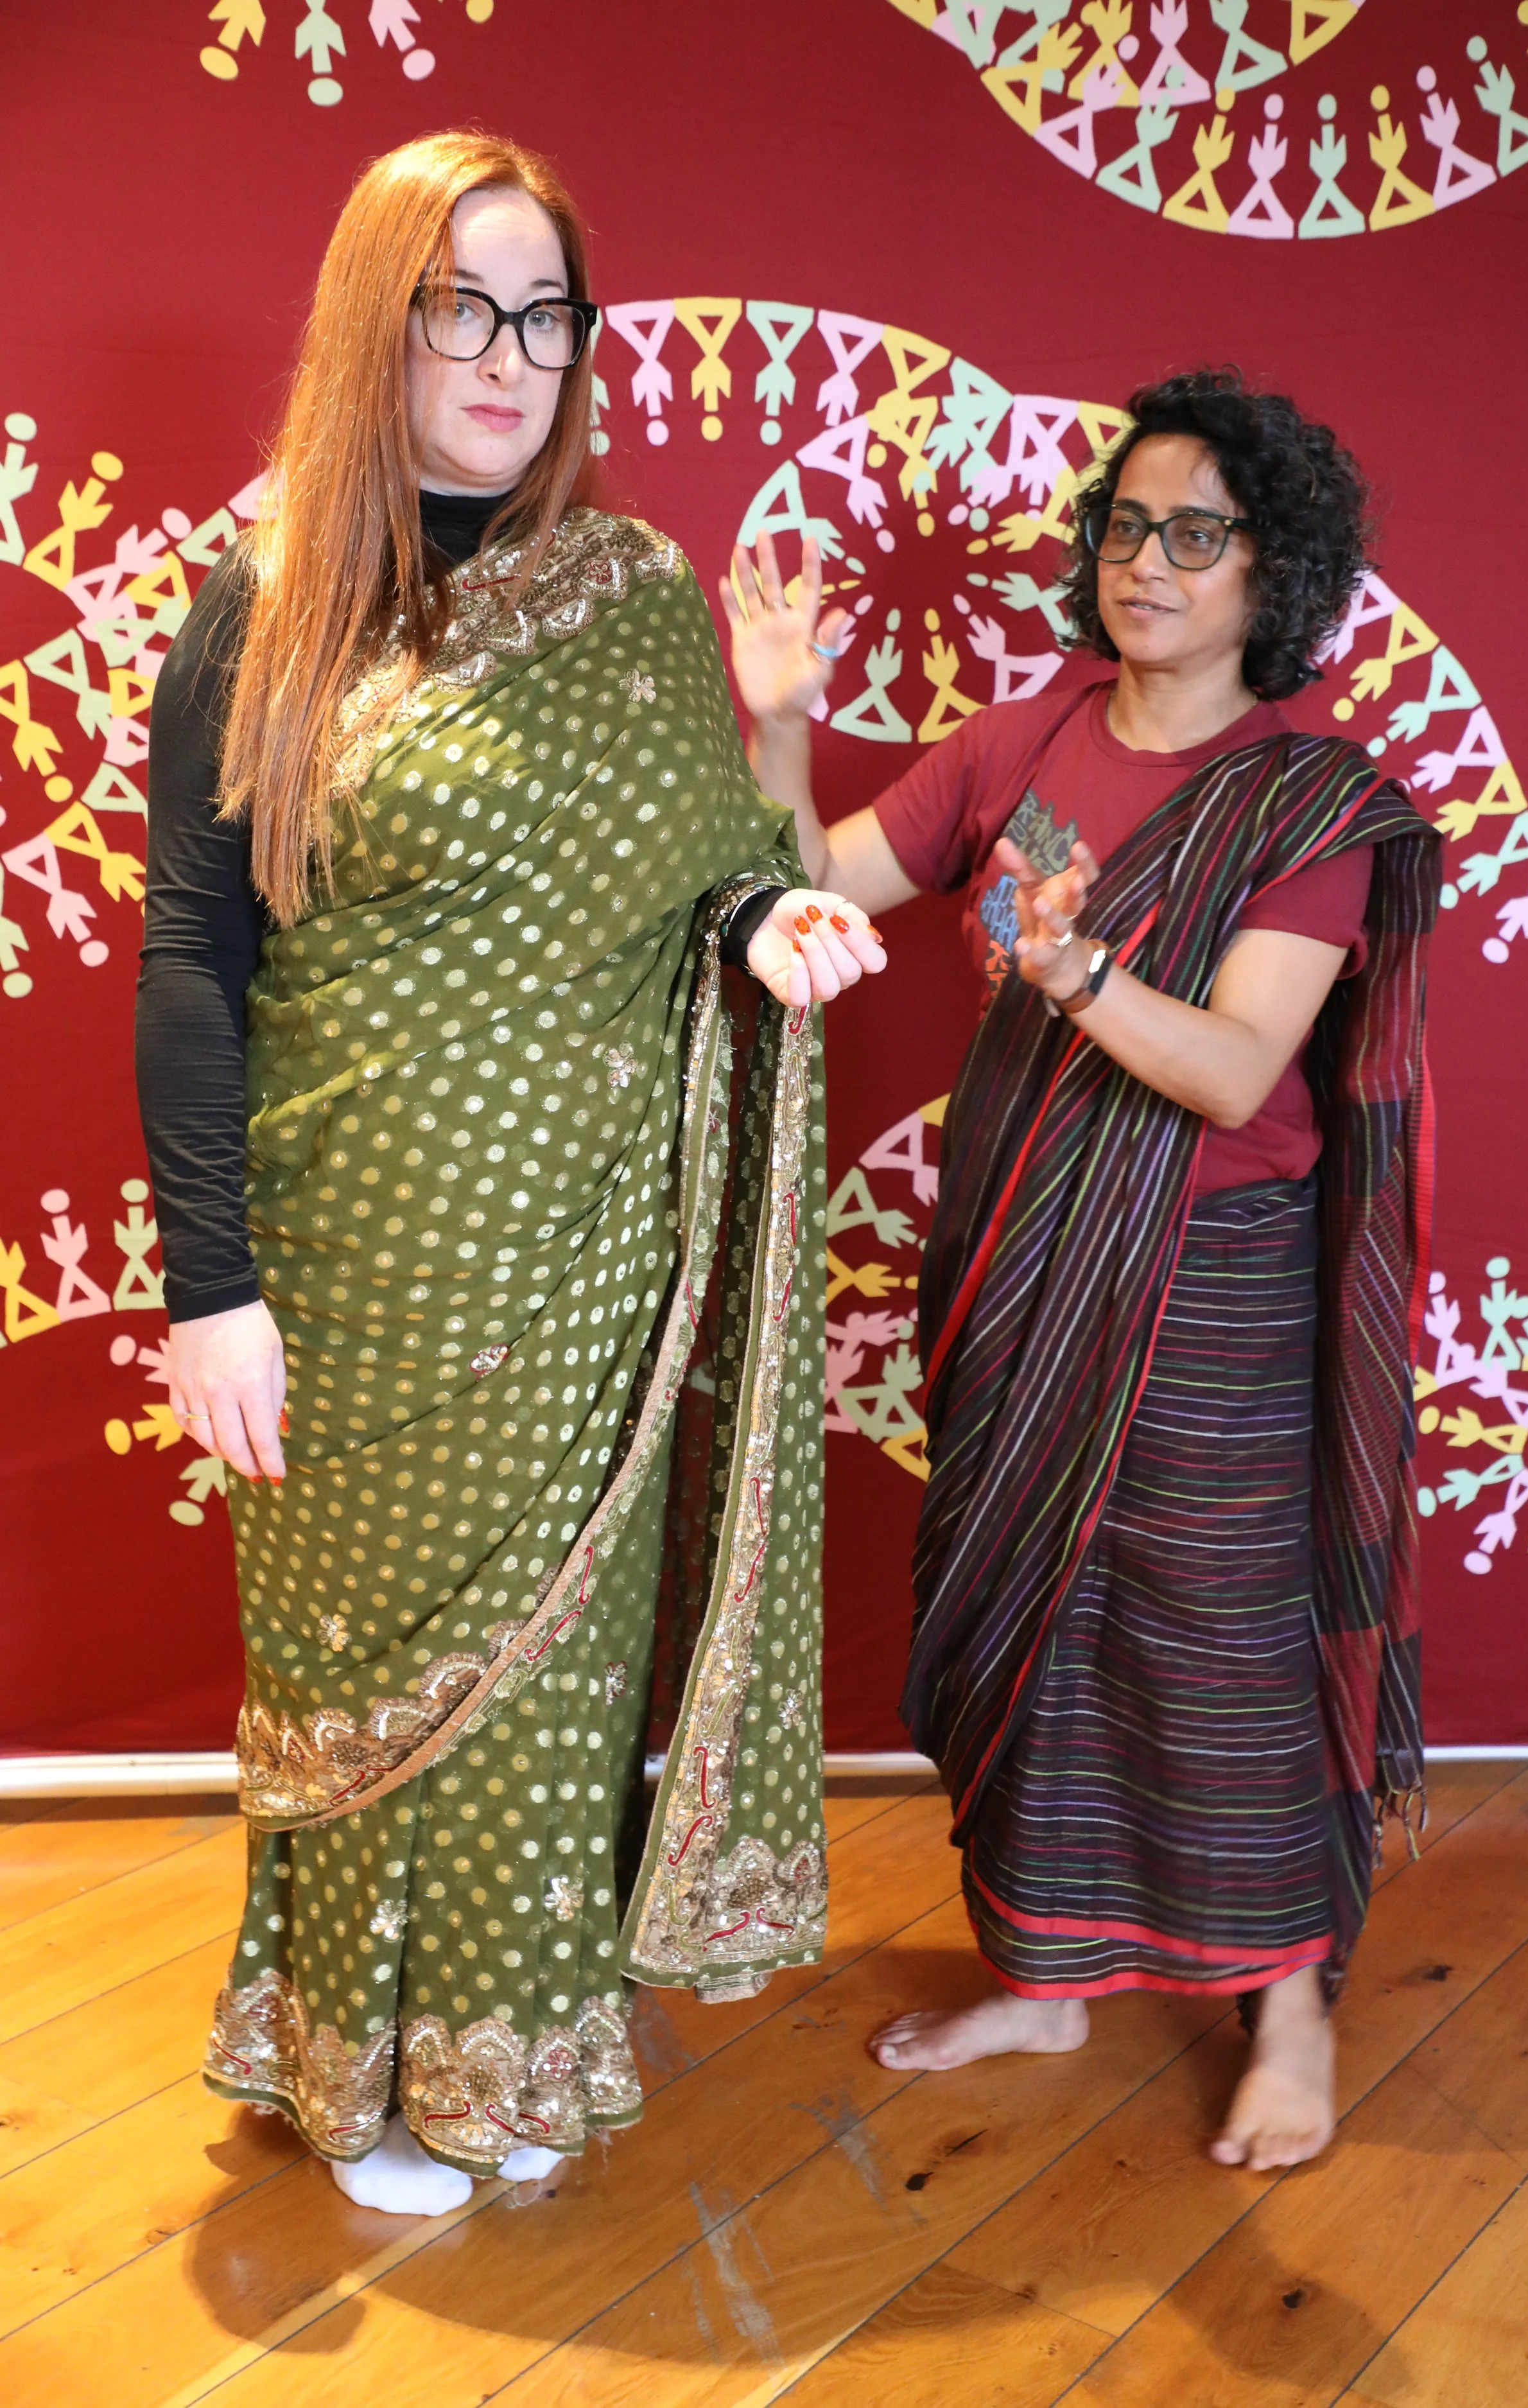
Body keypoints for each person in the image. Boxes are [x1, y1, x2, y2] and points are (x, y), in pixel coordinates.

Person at [137, 130, 885, 2217]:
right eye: (460, 306)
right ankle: (352, 2069)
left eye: (544, 313)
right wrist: (212, 1282)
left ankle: (513, 2046)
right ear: (377, 320)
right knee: (365, 1680)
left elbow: (703, 875)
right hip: (347, 1255)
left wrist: (773, 924)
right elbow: (196, 952)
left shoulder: (633, 602)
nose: (505, 354)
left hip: (576, 1262)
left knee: (555, 1690)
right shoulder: (270, 592)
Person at [723, 367, 1437, 2174]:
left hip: (1213, 1286)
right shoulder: (1019, 743)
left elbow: (1232, 1067)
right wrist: (781, 722)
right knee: (1035, 1627)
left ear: (1270, 574)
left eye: (1197, 535)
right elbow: (809, 877)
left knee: (1217, 1650)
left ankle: (1286, 2005)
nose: (1149, 562)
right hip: (1025, 1270)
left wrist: (1074, 978)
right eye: (1129, 524)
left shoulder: (1308, 803)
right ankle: (1042, 1972)